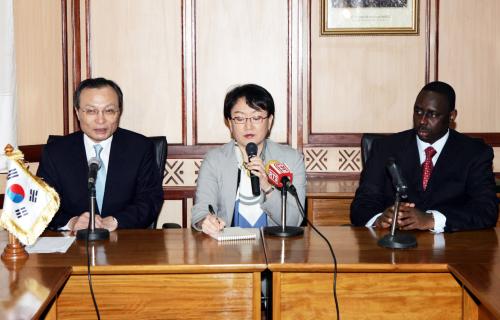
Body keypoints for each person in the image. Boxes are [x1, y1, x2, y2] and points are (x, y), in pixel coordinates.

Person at [350, 81, 498, 232]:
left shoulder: (474, 153)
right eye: (418, 111)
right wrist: (379, 218)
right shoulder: (385, 148)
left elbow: (486, 210)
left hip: (451, 249)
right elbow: (362, 205)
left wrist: (432, 220)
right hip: (393, 247)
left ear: (452, 116)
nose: (422, 121)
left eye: (432, 114)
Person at [37, 77, 163, 231]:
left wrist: (116, 221)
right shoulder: (56, 152)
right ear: (77, 112)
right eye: (91, 111)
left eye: (109, 110)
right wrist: (72, 222)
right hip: (73, 245)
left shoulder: (140, 148)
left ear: (119, 112)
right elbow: (42, 204)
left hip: (125, 242)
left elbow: (150, 201)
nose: (101, 120)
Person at [191, 84, 306, 236]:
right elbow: (201, 211)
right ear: (230, 123)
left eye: (256, 117)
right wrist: (205, 221)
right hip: (227, 250)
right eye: (239, 118)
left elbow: (294, 221)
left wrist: (267, 186)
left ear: (269, 121)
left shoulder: (291, 159)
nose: (248, 126)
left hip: (276, 249)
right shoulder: (214, 160)